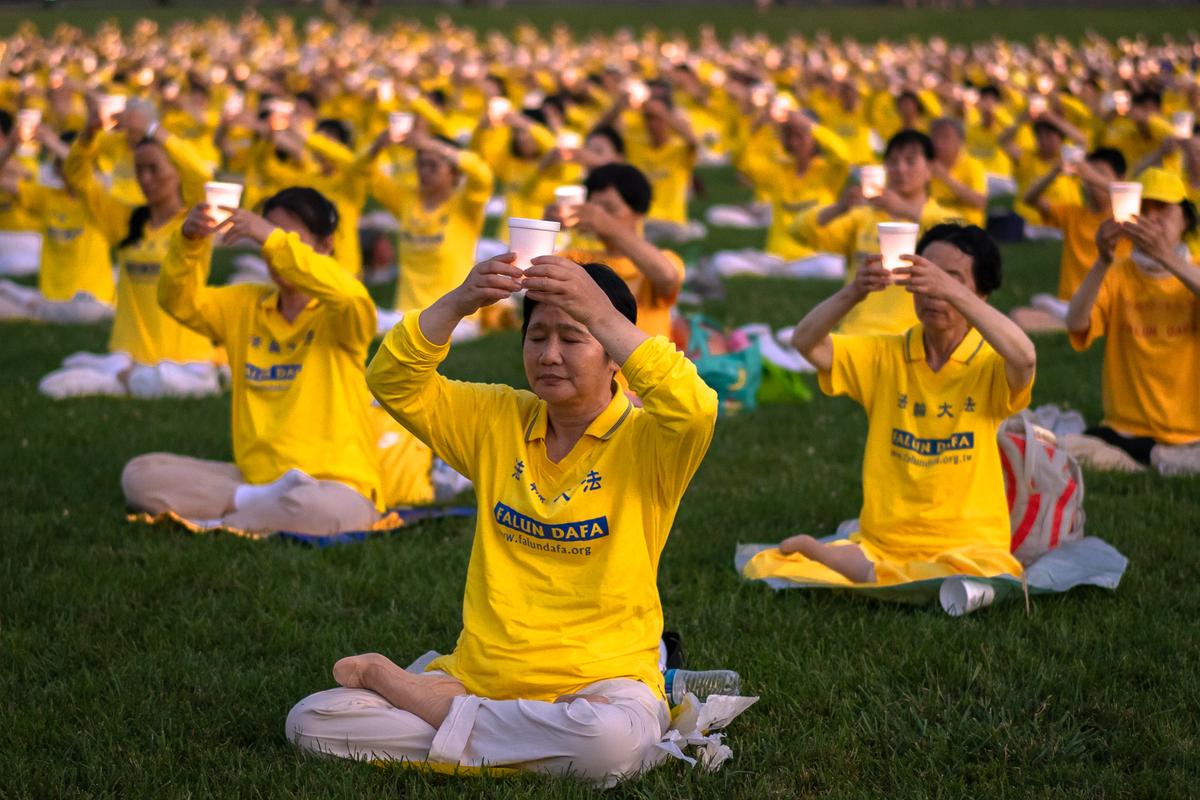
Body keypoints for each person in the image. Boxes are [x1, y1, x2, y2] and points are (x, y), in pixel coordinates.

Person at [286, 253, 718, 785]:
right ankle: (506, 736)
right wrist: (463, 298)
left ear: (615, 355)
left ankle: (417, 701)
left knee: (612, 742)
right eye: (537, 338)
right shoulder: (497, 419)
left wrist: (599, 311)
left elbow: (694, 407)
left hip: (600, 682)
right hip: (483, 678)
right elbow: (392, 378)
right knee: (310, 720)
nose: (550, 355)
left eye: (573, 337)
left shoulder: (650, 442)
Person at [744, 223, 1036, 587]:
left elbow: (1025, 358)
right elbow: (806, 343)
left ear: (982, 295)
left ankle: (856, 568)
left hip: (971, 547)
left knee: (983, 576)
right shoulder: (888, 354)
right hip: (886, 541)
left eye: (952, 278)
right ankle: (868, 568)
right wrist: (854, 291)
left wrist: (952, 292)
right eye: (926, 276)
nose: (933, 292)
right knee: (768, 565)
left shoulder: (989, 362)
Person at [121, 188, 404, 535]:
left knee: (320, 510)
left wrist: (270, 237)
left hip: (334, 484)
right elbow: (177, 300)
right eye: (266, 239)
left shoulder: (342, 313)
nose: (272, 253)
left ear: (325, 246)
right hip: (256, 478)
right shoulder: (245, 305)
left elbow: (350, 293)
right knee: (140, 474)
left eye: (288, 240)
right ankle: (256, 505)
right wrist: (189, 241)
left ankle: (234, 512)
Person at [38, 97, 221, 399]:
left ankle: (119, 378)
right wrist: (89, 132)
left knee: (72, 382)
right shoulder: (126, 221)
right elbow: (78, 177)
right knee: (57, 381)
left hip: (186, 356)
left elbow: (201, 174)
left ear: (176, 173)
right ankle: (123, 374)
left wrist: (152, 128)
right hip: (131, 351)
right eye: (140, 170)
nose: (145, 179)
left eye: (154, 169)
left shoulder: (194, 222)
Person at [1062, 168, 1200, 475]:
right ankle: (1153, 458)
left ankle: (1151, 458)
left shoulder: (1193, 271)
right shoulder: (1118, 273)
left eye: (1162, 209)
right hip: (1123, 430)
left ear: (1186, 219)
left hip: (1191, 434)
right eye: (1143, 210)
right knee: (1063, 449)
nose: (1151, 219)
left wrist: (1166, 257)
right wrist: (1102, 261)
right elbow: (1074, 322)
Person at [794, 129, 958, 336]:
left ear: (930, 169)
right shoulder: (865, 217)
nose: (900, 169)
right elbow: (800, 230)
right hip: (855, 333)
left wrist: (905, 210)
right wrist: (840, 207)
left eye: (910, 161)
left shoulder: (942, 220)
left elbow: (964, 236)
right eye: (893, 161)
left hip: (912, 337)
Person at [361, 128, 493, 336]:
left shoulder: (465, 206)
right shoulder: (406, 200)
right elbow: (365, 173)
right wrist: (378, 145)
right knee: (355, 317)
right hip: (407, 314)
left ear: (454, 173)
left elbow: (482, 174)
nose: (424, 172)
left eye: (433, 165)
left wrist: (430, 144)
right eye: (421, 164)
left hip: (457, 320)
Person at [709, 109, 850, 280]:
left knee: (834, 266)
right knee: (721, 260)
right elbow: (743, 162)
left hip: (813, 258)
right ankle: (782, 273)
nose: (795, 143)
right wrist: (756, 127)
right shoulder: (779, 169)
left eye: (801, 137)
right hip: (776, 258)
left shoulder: (827, 173)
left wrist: (810, 126)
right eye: (791, 137)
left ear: (815, 141)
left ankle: (782, 273)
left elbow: (843, 156)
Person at [553, 163, 684, 342]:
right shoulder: (577, 258)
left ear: (638, 212)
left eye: (610, 209)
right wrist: (547, 228)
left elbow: (667, 277)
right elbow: (530, 273)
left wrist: (607, 225)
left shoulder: (663, 259)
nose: (599, 216)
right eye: (594, 209)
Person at [0, 126, 115, 323]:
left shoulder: (99, 201)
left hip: (91, 302)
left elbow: (86, 174)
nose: (68, 169)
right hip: (51, 299)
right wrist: (11, 145)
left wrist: (52, 142)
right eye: (62, 163)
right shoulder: (48, 198)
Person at [1009, 148, 1130, 332]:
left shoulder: (1126, 218)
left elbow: (1129, 194)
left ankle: (1082, 322)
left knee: (1026, 318)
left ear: (1121, 179)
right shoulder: (1073, 214)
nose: (1090, 181)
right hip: (1069, 303)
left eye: (1101, 174)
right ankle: (1076, 322)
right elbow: (1029, 199)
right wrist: (1054, 173)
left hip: (1107, 303)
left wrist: (1091, 175)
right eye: (1088, 176)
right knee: (1018, 316)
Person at [929, 117, 988, 228]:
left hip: (966, 229)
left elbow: (980, 202)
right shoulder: (925, 166)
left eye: (945, 137)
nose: (938, 143)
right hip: (933, 228)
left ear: (960, 142)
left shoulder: (972, 165)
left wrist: (946, 178)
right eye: (935, 137)